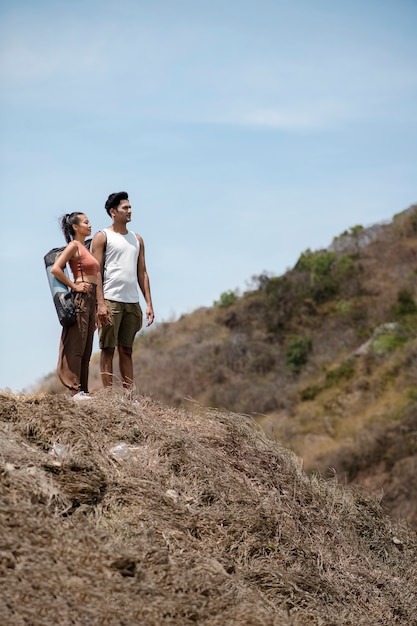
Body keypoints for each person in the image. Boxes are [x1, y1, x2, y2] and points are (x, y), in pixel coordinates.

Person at [92, 191, 154, 392]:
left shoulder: (138, 239)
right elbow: (96, 272)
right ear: (113, 212)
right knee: (108, 349)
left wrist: (149, 304)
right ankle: (109, 396)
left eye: (130, 207)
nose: (130, 211)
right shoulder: (102, 237)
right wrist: (100, 303)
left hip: (132, 301)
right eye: (125, 208)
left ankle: (129, 397)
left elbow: (142, 272)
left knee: (126, 350)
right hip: (110, 300)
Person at [51, 212, 104, 399]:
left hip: (91, 300)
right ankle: (74, 390)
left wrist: (97, 307)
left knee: (87, 347)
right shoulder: (74, 246)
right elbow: (56, 268)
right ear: (75, 227)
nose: (90, 225)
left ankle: (83, 390)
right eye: (86, 222)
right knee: (76, 345)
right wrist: (74, 286)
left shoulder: (86, 248)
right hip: (80, 297)